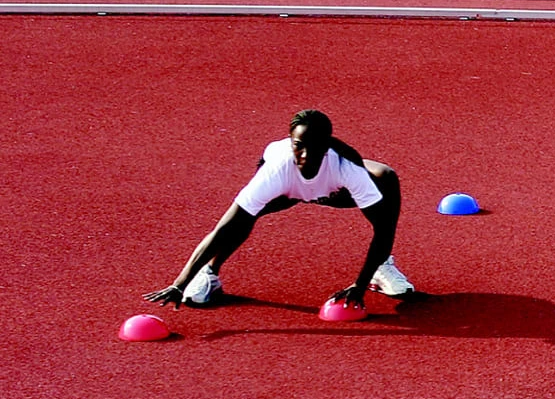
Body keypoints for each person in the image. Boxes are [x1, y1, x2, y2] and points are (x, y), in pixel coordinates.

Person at [143, 109, 414, 310]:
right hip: (288, 191)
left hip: (334, 193)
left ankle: (381, 266)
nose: (305, 155)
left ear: (327, 145)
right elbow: (224, 228)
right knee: (241, 220)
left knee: (386, 177)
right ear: (290, 142)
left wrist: (359, 284)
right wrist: (179, 283)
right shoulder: (276, 171)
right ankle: (209, 273)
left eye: (315, 147)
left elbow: (382, 230)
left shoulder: (347, 168)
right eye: (298, 146)